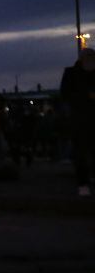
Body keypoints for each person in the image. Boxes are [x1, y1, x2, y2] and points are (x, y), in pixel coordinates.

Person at [60, 48, 95, 196]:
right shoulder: (71, 73)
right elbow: (65, 94)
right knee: (80, 153)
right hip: (80, 120)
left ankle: (87, 181)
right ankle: (83, 184)